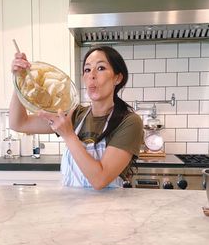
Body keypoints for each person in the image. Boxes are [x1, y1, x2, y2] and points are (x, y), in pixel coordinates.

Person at [10, 45, 143, 190]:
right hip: (70, 208)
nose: (92, 75)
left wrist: (68, 135)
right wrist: (20, 79)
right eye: (87, 69)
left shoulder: (129, 122)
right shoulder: (75, 114)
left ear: (117, 78)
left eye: (100, 68)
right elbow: (19, 123)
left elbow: (100, 180)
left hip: (107, 210)